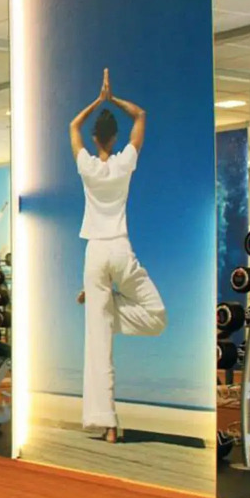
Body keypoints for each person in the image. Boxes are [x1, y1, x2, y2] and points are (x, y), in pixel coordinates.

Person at [69, 69, 167, 443]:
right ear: (114, 137)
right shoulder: (125, 162)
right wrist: (113, 100)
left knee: (98, 338)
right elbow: (140, 115)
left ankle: (107, 424)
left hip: (95, 252)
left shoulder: (87, 166)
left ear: (97, 138)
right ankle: (102, 305)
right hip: (120, 247)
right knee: (156, 316)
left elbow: (73, 126)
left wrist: (97, 100)